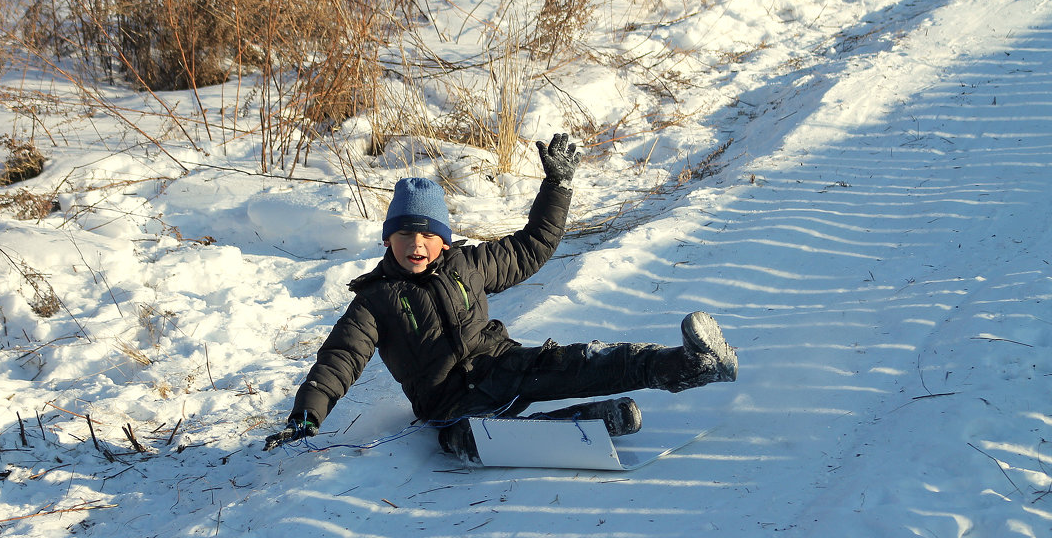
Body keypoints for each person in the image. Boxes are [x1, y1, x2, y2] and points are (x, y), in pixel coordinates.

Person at [264, 133, 737, 461]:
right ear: (388, 240)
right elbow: (341, 357)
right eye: (404, 234)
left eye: (427, 235)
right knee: (475, 439)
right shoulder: (375, 299)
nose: (416, 245)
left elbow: (532, 246)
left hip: (503, 365)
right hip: (450, 408)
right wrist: (306, 417)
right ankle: (590, 423)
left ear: (444, 240)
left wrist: (558, 187)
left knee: (585, 361)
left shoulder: (468, 265)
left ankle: (692, 365)